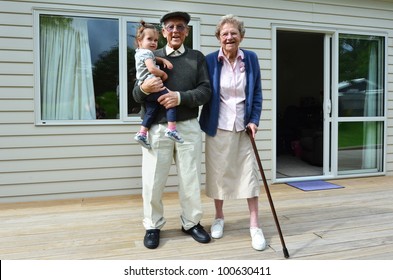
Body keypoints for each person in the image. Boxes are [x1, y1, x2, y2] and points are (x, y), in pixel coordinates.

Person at [133, 11, 212, 249]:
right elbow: (136, 95)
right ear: (163, 31)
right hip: (157, 128)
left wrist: (179, 97)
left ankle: (191, 223)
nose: (175, 31)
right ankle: (152, 225)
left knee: (190, 179)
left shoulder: (196, 58)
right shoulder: (149, 54)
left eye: (180, 27)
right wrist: (145, 88)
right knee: (153, 180)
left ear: (187, 31)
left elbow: (206, 91)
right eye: (170, 27)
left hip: (187, 126)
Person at [199, 14, 265, 251]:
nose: (229, 37)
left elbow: (256, 93)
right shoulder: (209, 61)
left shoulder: (251, 59)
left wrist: (254, 120)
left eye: (233, 33)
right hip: (217, 127)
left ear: (241, 36)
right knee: (218, 175)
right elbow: (201, 90)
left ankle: (255, 225)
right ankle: (219, 218)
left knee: (249, 175)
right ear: (218, 37)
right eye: (225, 33)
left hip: (244, 128)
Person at [133, 20, 183, 149]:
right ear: (140, 41)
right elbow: (152, 69)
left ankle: (142, 133)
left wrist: (162, 59)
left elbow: (152, 59)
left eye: (155, 40)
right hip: (153, 87)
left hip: (147, 89)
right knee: (170, 101)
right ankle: (172, 129)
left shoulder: (139, 53)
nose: (153, 43)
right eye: (150, 39)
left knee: (151, 110)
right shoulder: (147, 53)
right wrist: (163, 75)